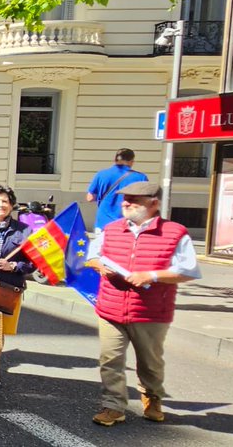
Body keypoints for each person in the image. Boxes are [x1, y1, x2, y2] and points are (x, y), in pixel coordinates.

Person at [85, 181, 201, 426]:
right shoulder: (111, 228)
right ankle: (113, 407)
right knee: (110, 360)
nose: (126, 203)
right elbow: (92, 256)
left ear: (154, 203)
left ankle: (152, 397)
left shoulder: (174, 232)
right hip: (111, 306)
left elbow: (189, 271)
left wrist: (152, 276)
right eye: (125, 199)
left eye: (134, 200)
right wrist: (99, 266)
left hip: (151, 312)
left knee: (150, 363)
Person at [0, 185, 34, 390]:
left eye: (5, 201)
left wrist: (13, 265)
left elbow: (32, 263)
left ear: (11, 205)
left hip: (6, 286)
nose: (0, 205)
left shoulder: (23, 231)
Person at [86, 149, 149, 234]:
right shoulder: (140, 177)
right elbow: (145, 201)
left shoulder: (101, 174)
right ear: (131, 161)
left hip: (103, 223)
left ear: (115, 160)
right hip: (128, 224)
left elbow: (90, 198)